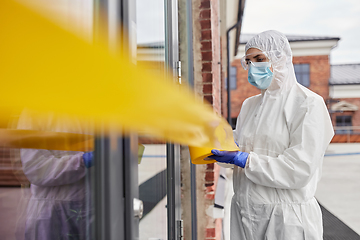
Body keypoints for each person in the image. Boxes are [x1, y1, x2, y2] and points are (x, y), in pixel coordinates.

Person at [207, 30, 334, 239]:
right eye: (248, 61)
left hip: (287, 219)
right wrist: (219, 145)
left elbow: (299, 169)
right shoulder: (250, 105)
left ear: (280, 57)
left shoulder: (308, 103)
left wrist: (246, 160)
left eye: (259, 59)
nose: (252, 66)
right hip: (245, 213)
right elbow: (239, 146)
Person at [17, 109, 94, 240]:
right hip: (52, 214)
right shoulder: (35, 111)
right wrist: (81, 161)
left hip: (92, 209)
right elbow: (36, 169)